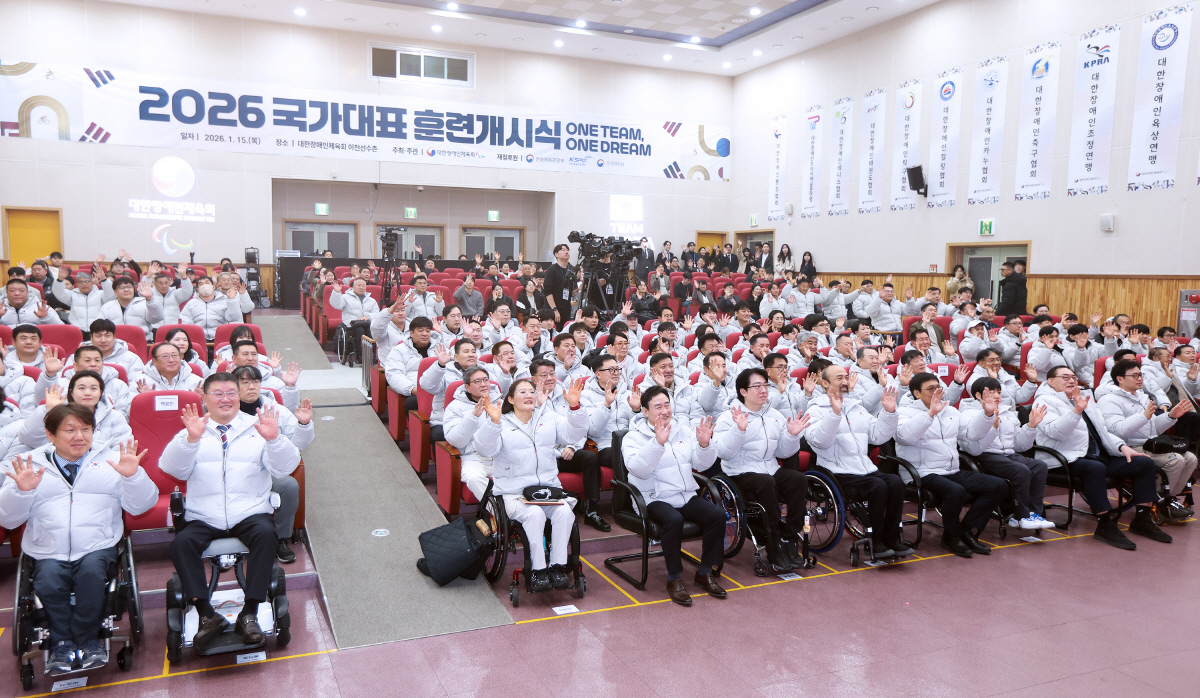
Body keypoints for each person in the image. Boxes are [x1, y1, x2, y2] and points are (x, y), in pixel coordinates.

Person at [0, 406, 156, 673]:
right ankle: (61, 644)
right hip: (47, 547)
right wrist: (21, 492)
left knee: (92, 575)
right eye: (70, 430)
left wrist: (133, 477)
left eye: (86, 429)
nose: (79, 436)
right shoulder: (28, 464)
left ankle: (87, 640)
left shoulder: (111, 461)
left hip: (97, 543)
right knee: (48, 581)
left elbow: (142, 506)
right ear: (50, 435)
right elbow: (8, 519)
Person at [161, 374, 300, 648]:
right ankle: (205, 614)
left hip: (249, 511)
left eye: (231, 393)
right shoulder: (193, 430)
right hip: (205, 514)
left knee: (265, 535)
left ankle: (249, 613)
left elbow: (285, 469)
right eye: (218, 393)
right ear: (204, 397)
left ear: (239, 397)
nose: (225, 399)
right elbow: (173, 470)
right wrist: (190, 440)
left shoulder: (256, 427)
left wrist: (274, 441)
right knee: (181, 544)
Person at [1033, 366, 1170, 549]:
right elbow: (1056, 432)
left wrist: (1122, 447)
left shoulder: (1084, 398)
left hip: (1096, 455)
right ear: (1051, 381)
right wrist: (1075, 412)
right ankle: (1105, 524)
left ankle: (1142, 520)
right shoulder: (1044, 401)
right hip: (1065, 458)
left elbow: (1102, 431)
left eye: (1073, 377)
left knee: (1143, 462)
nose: (1072, 380)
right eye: (1065, 377)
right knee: (1095, 468)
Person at [473, 377, 589, 592]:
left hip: (547, 490)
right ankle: (538, 570)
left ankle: (557, 566)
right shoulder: (501, 421)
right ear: (511, 398)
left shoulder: (549, 417)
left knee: (564, 512)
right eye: (522, 392)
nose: (528, 395)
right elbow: (485, 450)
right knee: (534, 514)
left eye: (531, 392)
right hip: (514, 492)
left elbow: (574, 433)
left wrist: (575, 407)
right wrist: (493, 423)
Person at [622, 386, 724, 605]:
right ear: (645, 411)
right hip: (652, 497)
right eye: (657, 406)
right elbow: (638, 469)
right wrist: (657, 443)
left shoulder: (683, 430)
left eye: (667, 404)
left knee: (716, 514)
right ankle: (674, 578)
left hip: (684, 493)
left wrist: (705, 445)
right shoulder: (632, 437)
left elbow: (699, 465)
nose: (664, 410)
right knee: (673, 519)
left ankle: (705, 572)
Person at [804, 365, 914, 558]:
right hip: (836, 471)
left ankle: (892, 538)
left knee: (896, 483)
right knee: (878, 486)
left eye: (846, 377)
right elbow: (820, 441)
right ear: (825, 383)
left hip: (864, 468)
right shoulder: (815, 409)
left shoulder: (856, 407)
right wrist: (834, 414)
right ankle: (876, 541)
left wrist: (888, 413)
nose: (845, 381)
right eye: (839, 378)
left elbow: (877, 436)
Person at [895, 373, 1008, 557]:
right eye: (930, 389)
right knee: (955, 491)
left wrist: (986, 414)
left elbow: (971, 434)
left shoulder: (951, 411)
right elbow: (905, 438)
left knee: (998, 485)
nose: (936, 392)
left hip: (951, 469)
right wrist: (930, 413)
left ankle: (966, 530)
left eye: (938, 387)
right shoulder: (904, 412)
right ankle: (951, 537)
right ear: (916, 393)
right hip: (922, 471)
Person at [713, 368, 812, 571]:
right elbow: (724, 453)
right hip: (739, 472)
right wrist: (738, 430)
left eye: (766, 385)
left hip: (769, 468)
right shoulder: (728, 417)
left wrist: (792, 436)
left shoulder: (774, 415)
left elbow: (783, 453)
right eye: (757, 386)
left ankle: (790, 538)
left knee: (798, 480)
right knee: (766, 482)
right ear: (743, 391)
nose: (763, 390)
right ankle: (773, 542)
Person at [231, 366, 313, 564]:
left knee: (289, 486)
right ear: (234, 386)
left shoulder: (274, 408)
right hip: (235, 470)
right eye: (245, 382)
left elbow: (298, 445)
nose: (252, 387)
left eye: (255, 382)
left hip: (267, 470)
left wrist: (303, 425)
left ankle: (280, 538)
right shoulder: (225, 409)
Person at [1099, 359, 1197, 521]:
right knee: (1175, 460)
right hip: (1128, 446)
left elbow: (1154, 429)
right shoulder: (1109, 400)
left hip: (1149, 443)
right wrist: (1143, 416)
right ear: (1120, 379)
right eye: (1135, 375)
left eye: (1140, 375)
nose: (1140, 378)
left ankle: (1167, 499)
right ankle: (1157, 501)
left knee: (1191, 458)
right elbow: (1116, 431)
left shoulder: (1141, 396)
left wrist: (1170, 416)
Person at [420, 338, 479, 440]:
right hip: (445, 420)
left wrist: (505, 375)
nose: (471, 354)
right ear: (456, 357)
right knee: (439, 435)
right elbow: (428, 386)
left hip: (477, 419)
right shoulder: (445, 371)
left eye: (473, 352)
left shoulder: (485, 371)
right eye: (466, 351)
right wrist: (440, 365)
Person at [384, 316, 434, 414]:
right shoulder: (398, 351)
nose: (425, 334)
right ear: (411, 333)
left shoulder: (439, 348)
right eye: (420, 330)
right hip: (414, 390)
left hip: (438, 390)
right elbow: (395, 375)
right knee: (412, 402)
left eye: (428, 331)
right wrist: (414, 390)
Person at [137, 342, 202, 392]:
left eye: (174, 355)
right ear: (154, 361)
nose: (171, 360)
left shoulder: (197, 382)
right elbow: (129, 408)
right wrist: (144, 399)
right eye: (165, 356)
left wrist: (198, 401)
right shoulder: (141, 383)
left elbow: (208, 408)